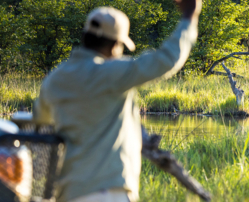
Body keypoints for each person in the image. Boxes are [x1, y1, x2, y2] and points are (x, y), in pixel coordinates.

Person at [32, 0, 201, 201]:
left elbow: (38, 122)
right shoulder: (112, 73)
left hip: (70, 194)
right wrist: (189, 17)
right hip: (111, 193)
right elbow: (166, 60)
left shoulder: (55, 79)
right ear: (114, 45)